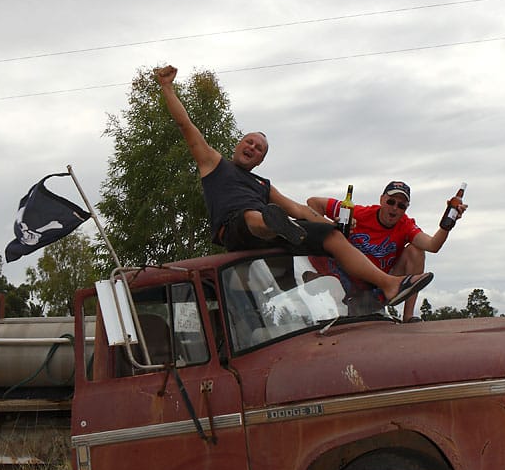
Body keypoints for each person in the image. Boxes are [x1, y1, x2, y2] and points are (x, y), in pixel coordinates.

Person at [153, 64, 432, 307]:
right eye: (249, 142)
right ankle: (272, 223)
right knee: (253, 216)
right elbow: (185, 125)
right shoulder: (214, 164)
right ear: (238, 144)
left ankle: (389, 284)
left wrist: (330, 226)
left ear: (260, 161)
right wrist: (167, 87)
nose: (253, 147)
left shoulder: (263, 184)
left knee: (331, 238)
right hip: (235, 228)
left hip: (273, 231)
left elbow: (297, 208)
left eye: (259, 148)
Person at [307, 181, 466, 322]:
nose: (395, 208)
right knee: (321, 241)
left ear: (406, 208)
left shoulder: (406, 225)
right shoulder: (358, 213)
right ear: (382, 200)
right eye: (391, 202)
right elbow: (313, 203)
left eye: (401, 205)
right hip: (344, 280)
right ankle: (322, 287)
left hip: (376, 288)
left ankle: (408, 317)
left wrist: (447, 225)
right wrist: (332, 228)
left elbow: (432, 245)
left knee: (416, 251)